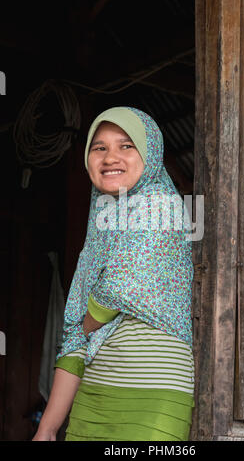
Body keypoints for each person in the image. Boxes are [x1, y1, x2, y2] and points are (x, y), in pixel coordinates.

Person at [32, 106, 195, 441]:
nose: (110, 157)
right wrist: (46, 429)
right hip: (93, 396)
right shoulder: (99, 231)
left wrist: (88, 321)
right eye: (99, 147)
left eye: (126, 145)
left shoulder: (162, 206)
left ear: (150, 152)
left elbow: (118, 287)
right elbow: (74, 336)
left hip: (153, 393)